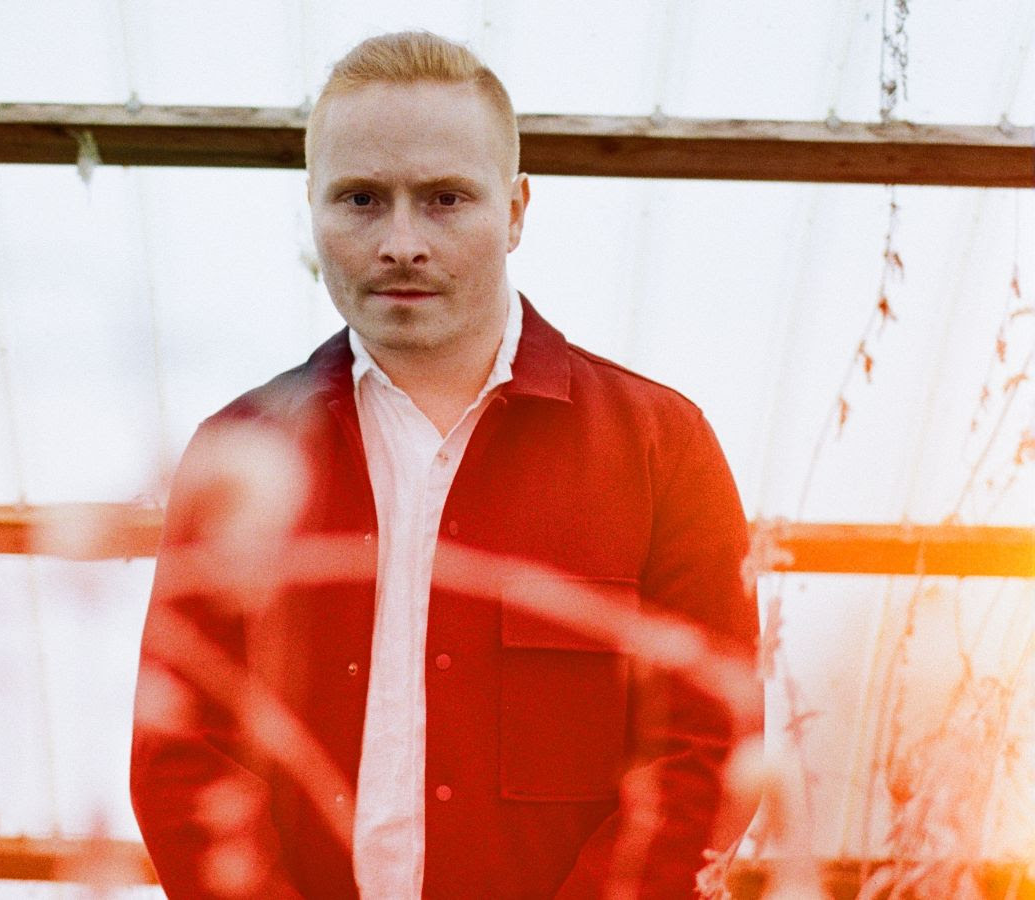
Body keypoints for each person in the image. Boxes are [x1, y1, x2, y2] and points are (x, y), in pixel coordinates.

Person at [131, 30, 760, 899]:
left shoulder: (663, 446)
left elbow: (707, 750)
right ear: (311, 209)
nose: (401, 242)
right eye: (360, 199)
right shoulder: (236, 457)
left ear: (516, 211)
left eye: (444, 199)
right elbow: (182, 756)